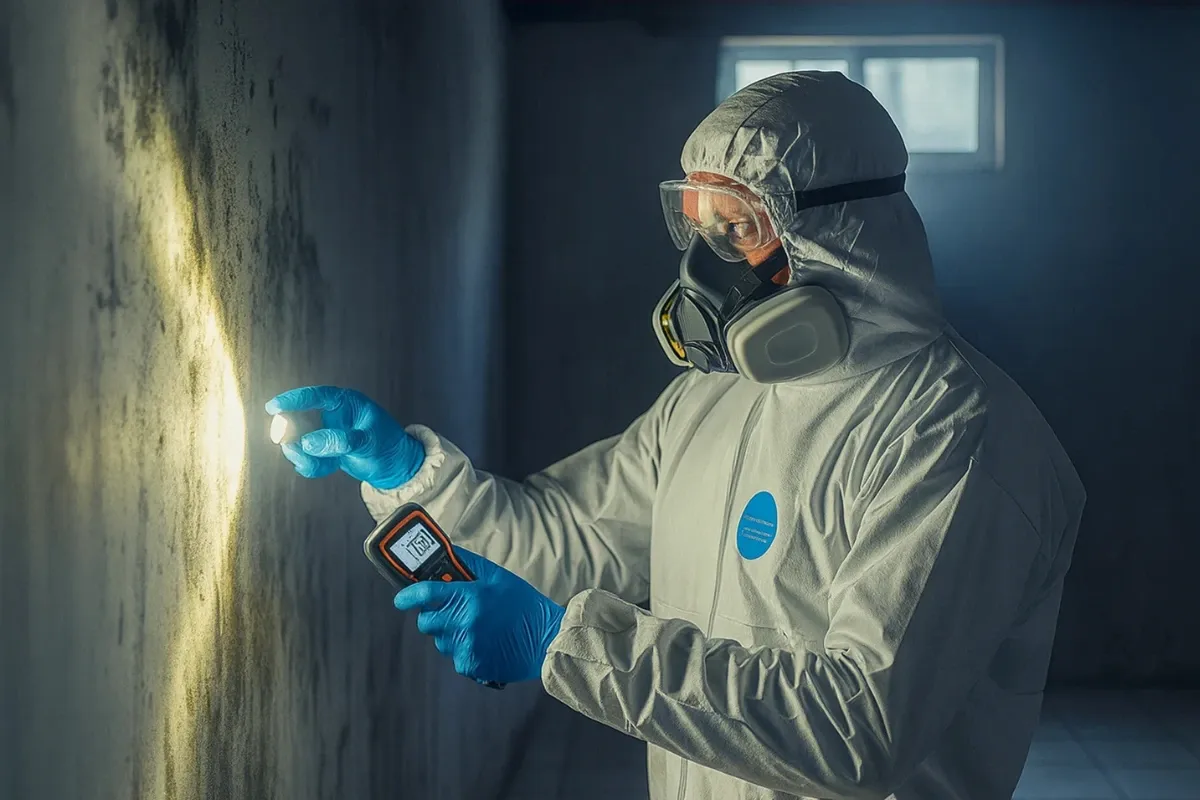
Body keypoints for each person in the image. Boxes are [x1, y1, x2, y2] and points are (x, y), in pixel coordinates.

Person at [266, 71, 1085, 800]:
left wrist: (566, 643)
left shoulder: (954, 433)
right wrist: (407, 471)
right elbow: (562, 541)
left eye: (741, 228)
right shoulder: (709, 401)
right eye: (699, 224)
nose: (707, 264)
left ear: (843, 235)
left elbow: (858, 728)